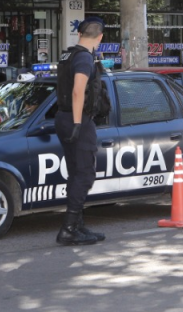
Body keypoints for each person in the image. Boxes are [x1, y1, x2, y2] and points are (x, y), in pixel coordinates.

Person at [54, 16, 106, 246]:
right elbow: (78, 91)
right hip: (77, 119)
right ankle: (68, 229)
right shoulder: (84, 58)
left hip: (63, 117)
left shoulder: (69, 54)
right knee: (85, 174)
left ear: (79, 35)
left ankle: (77, 225)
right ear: (100, 38)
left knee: (76, 173)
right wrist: (77, 123)